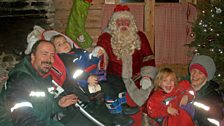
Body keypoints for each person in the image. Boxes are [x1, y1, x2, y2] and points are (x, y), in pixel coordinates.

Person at [48, 32, 134, 125]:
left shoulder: (79, 52)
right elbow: (74, 73)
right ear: (55, 51)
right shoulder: (65, 59)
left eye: (65, 42)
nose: (64, 44)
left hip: (96, 75)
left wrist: (95, 55)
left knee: (116, 79)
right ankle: (117, 115)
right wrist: (87, 77)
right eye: (59, 44)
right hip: (85, 84)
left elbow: (91, 59)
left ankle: (123, 105)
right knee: (106, 87)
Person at [96, 4, 156, 125]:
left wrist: (147, 77)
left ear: (131, 23)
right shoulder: (106, 38)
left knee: (150, 92)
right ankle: (119, 116)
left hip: (137, 77)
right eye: (119, 21)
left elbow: (148, 58)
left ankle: (146, 122)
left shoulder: (141, 37)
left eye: (126, 21)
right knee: (109, 89)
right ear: (114, 23)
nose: (123, 24)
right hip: (114, 77)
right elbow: (100, 58)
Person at [0, 40, 81, 126]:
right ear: (33, 56)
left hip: (43, 121)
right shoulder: (19, 78)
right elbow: (23, 118)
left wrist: (59, 103)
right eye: (44, 54)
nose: (49, 60)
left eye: (52, 55)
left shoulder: (44, 78)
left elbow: (42, 105)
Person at [183, 55, 224, 126]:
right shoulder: (183, 88)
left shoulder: (213, 97)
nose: (195, 75)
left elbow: (213, 122)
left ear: (207, 76)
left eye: (200, 73)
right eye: (194, 71)